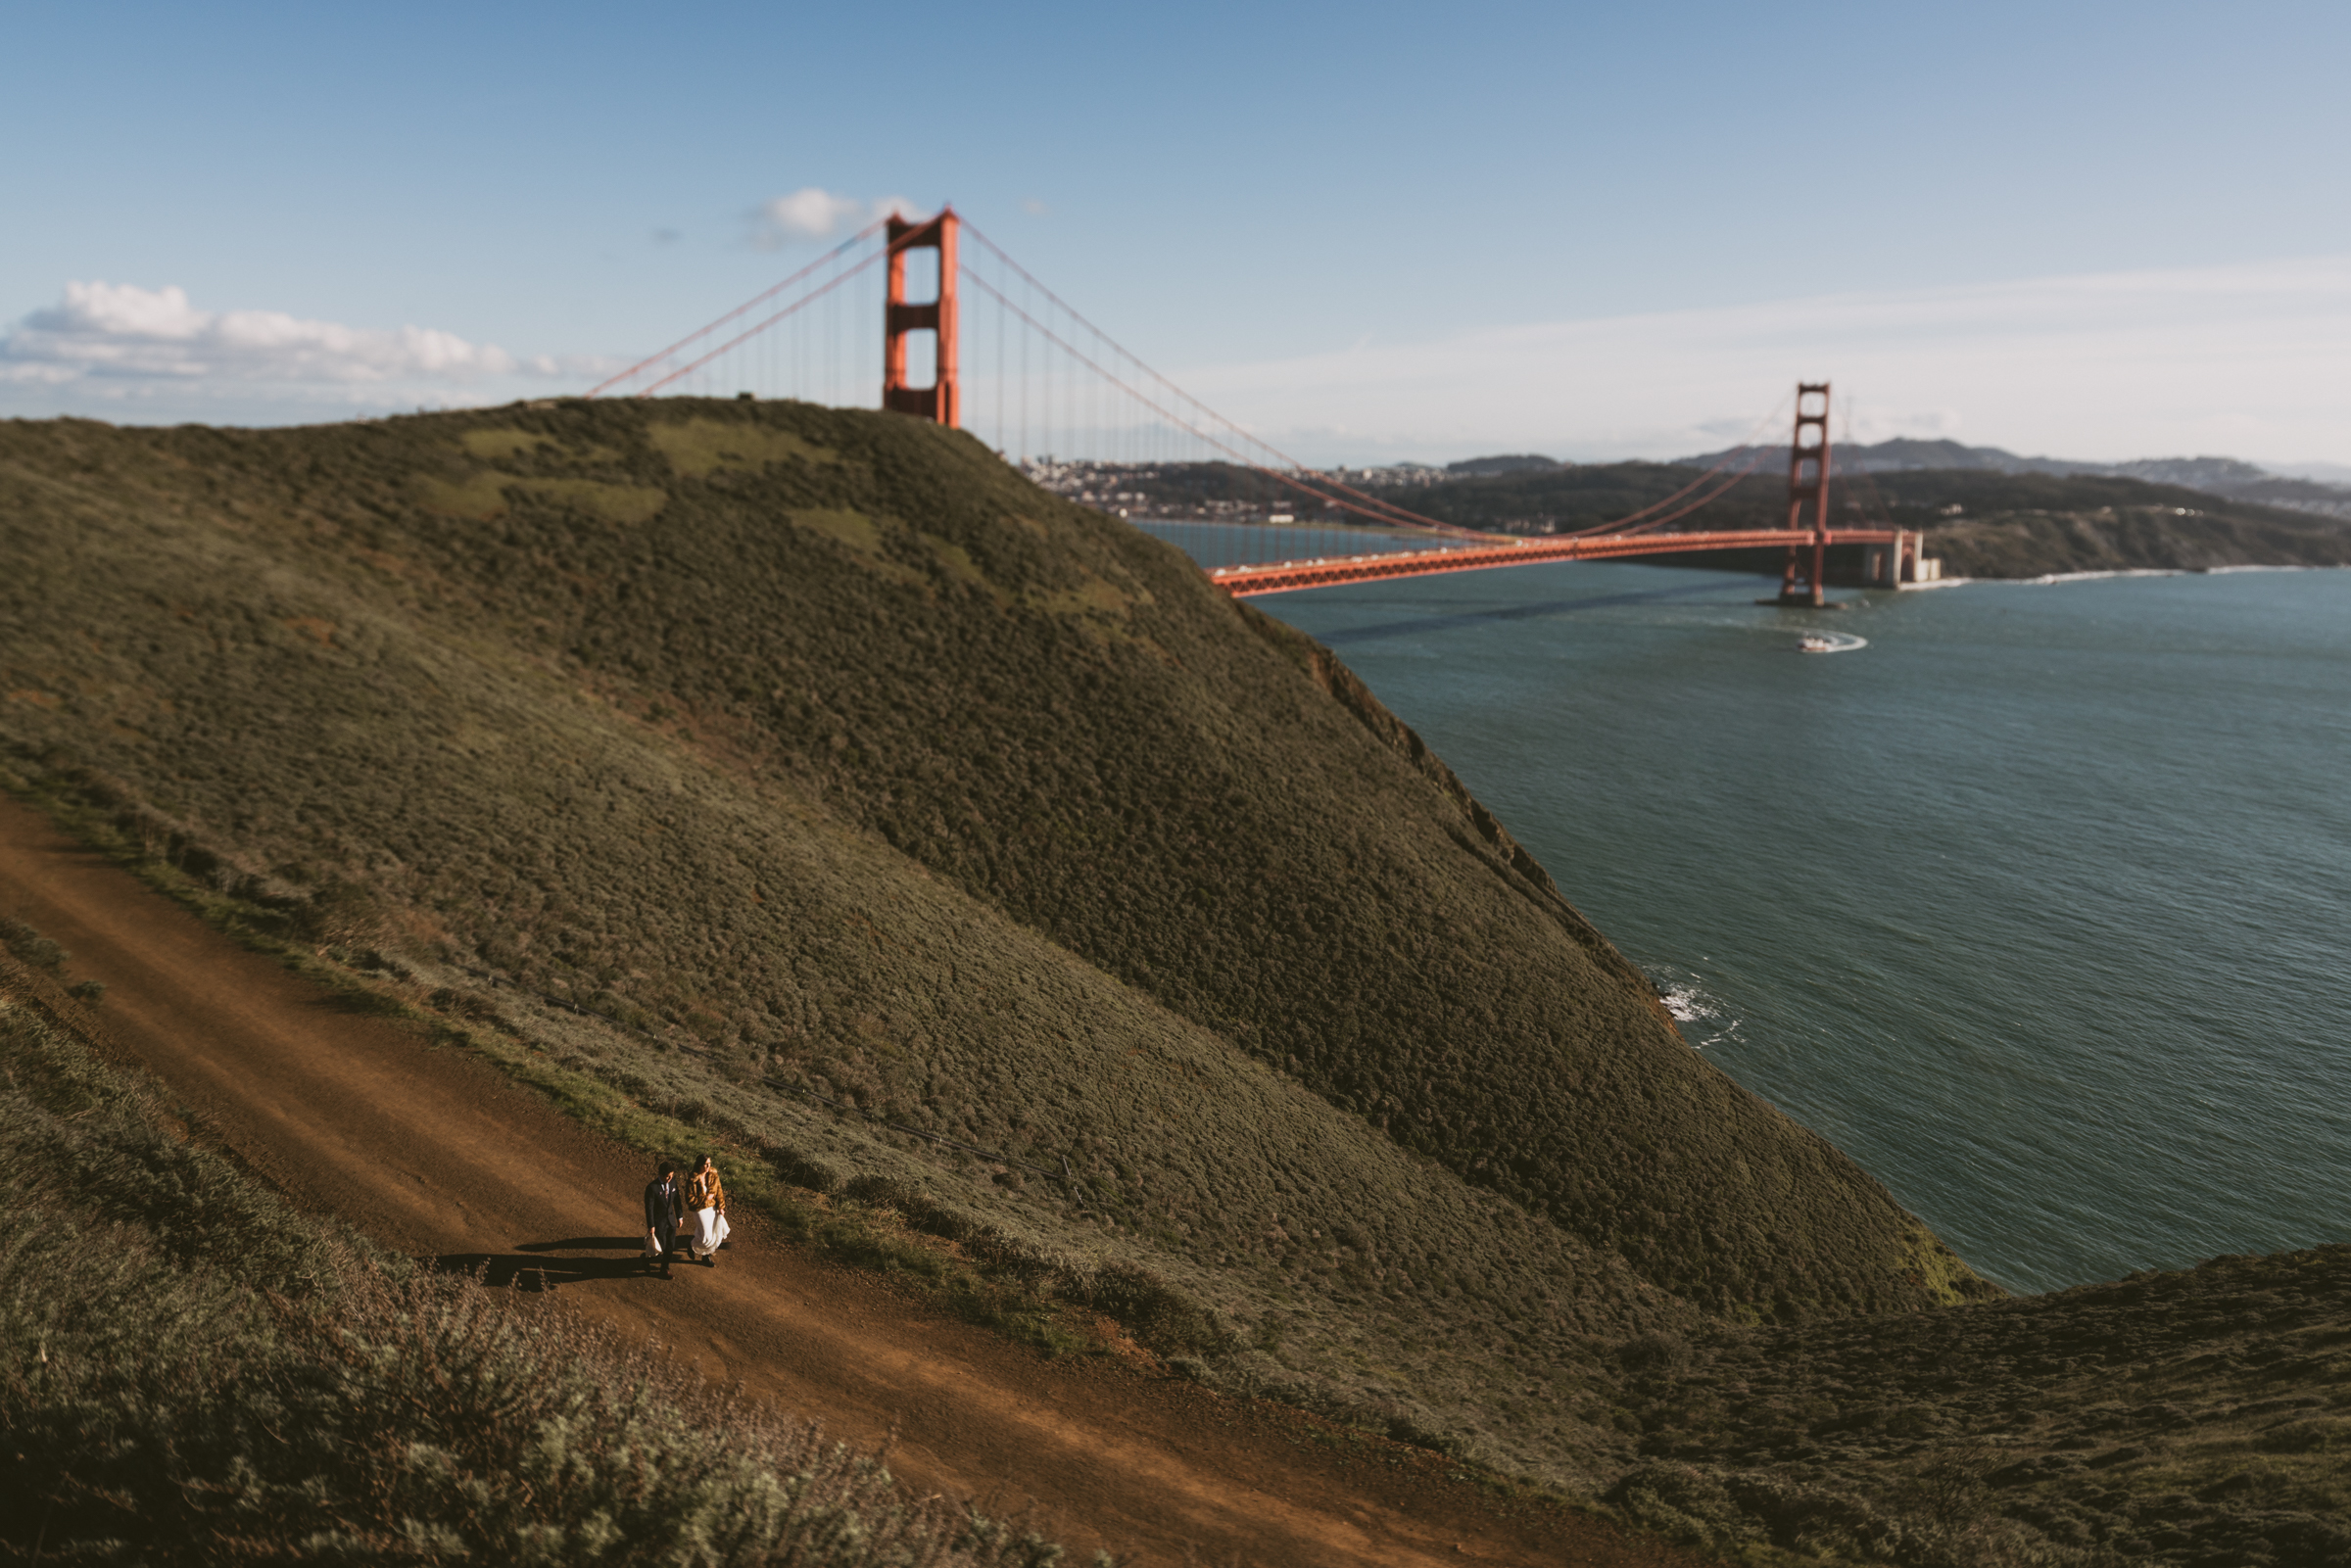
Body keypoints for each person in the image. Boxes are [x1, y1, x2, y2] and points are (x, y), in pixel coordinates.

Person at [685, 1152, 730, 1266]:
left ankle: (706, 1256)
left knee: (715, 1233)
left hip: (712, 1208)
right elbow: (689, 1200)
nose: (708, 1166)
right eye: (705, 1164)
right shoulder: (693, 1179)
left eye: (709, 1163)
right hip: (699, 1210)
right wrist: (705, 1199)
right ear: (700, 1165)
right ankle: (691, 1245)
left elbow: (719, 1191)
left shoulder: (713, 1174)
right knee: (706, 1236)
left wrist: (721, 1206)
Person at [644, 1159, 684, 1277]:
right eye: (668, 1176)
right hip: (659, 1222)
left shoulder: (672, 1182)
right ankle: (646, 1259)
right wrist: (651, 1225)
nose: (670, 1179)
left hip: (670, 1220)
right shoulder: (652, 1188)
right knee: (660, 1246)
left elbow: (677, 1200)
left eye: (672, 1176)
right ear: (661, 1175)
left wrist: (679, 1216)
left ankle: (664, 1268)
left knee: (670, 1246)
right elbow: (649, 1208)